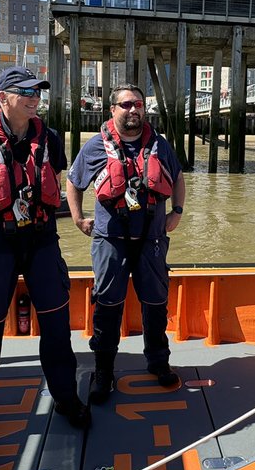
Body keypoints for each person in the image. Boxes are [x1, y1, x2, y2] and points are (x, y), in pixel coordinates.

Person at [0, 66, 89, 464]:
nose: (34, 97)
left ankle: (66, 400)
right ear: (3, 97)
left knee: (57, 327)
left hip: (42, 244)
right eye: (24, 91)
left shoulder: (51, 140)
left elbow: (54, 184)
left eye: (37, 91)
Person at [66, 83, 186, 404]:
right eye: (126, 105)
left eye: (138, 105)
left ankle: (158, 362)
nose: (133, 110)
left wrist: (177, 210)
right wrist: (78, 219)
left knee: (156, 303)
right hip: (111, 241)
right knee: (107, 306)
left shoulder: (159, 145)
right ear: (113, 110)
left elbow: (178, 178)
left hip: (152, 240)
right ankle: (103, 372)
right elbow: (74, 182)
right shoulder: (95, 147)